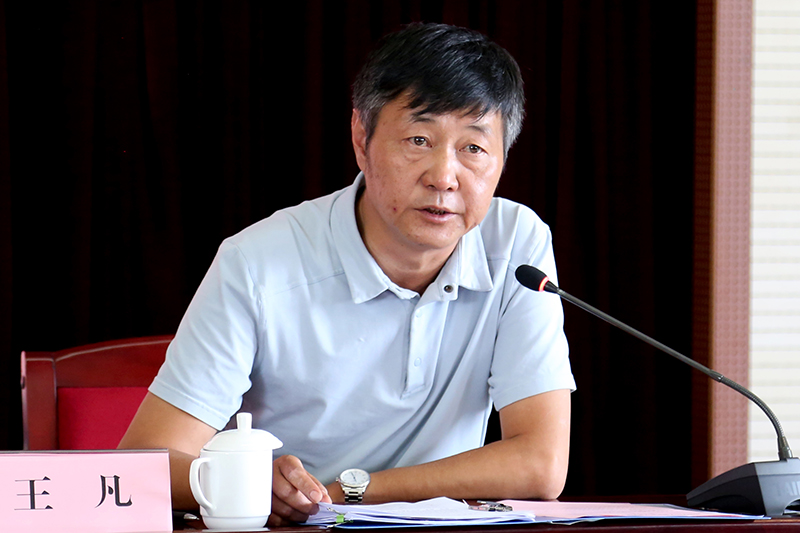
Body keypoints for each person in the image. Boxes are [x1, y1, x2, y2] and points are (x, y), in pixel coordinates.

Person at [119, 22, 575, 526]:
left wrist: (348, 492)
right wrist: (247, 483)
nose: (444, 178)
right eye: (419, 139)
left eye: (473, 149)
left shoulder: (516, 245)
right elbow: (142, 464)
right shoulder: (257, 261)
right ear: (361, 137)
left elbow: (542, 464)